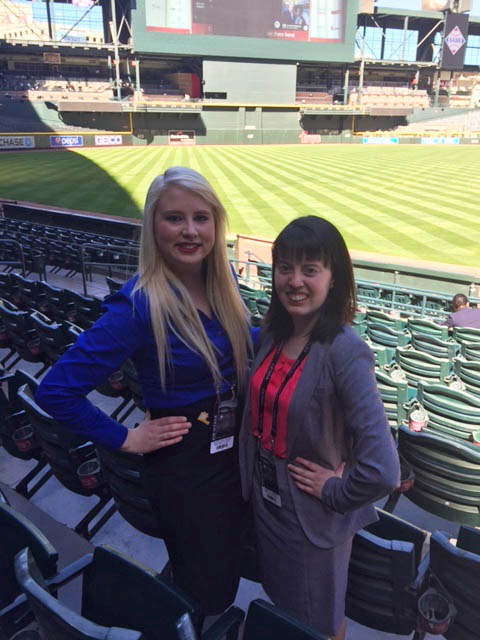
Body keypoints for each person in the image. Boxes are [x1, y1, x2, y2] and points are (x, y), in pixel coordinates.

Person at [35, 166, 254, 615]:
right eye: (175, 218)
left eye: (201, 217)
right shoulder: (140, 304)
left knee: (219, 574)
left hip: (232, 456)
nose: (190, 230)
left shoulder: (224, 281)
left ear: (217, 222)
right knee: (210, 591)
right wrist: (127, 439)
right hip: (186, 472)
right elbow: (56, 390)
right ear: (154, 226)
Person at [239, 216, 399, 640]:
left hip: (311, 521)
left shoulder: (347, 352)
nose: (295, 281)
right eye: (285, 267)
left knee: (320, 623)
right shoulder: (273, 330)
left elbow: (385, 468)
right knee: (286, 607)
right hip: (266, 503)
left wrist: (335, 491)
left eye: (310, 269)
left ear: (334, 279)